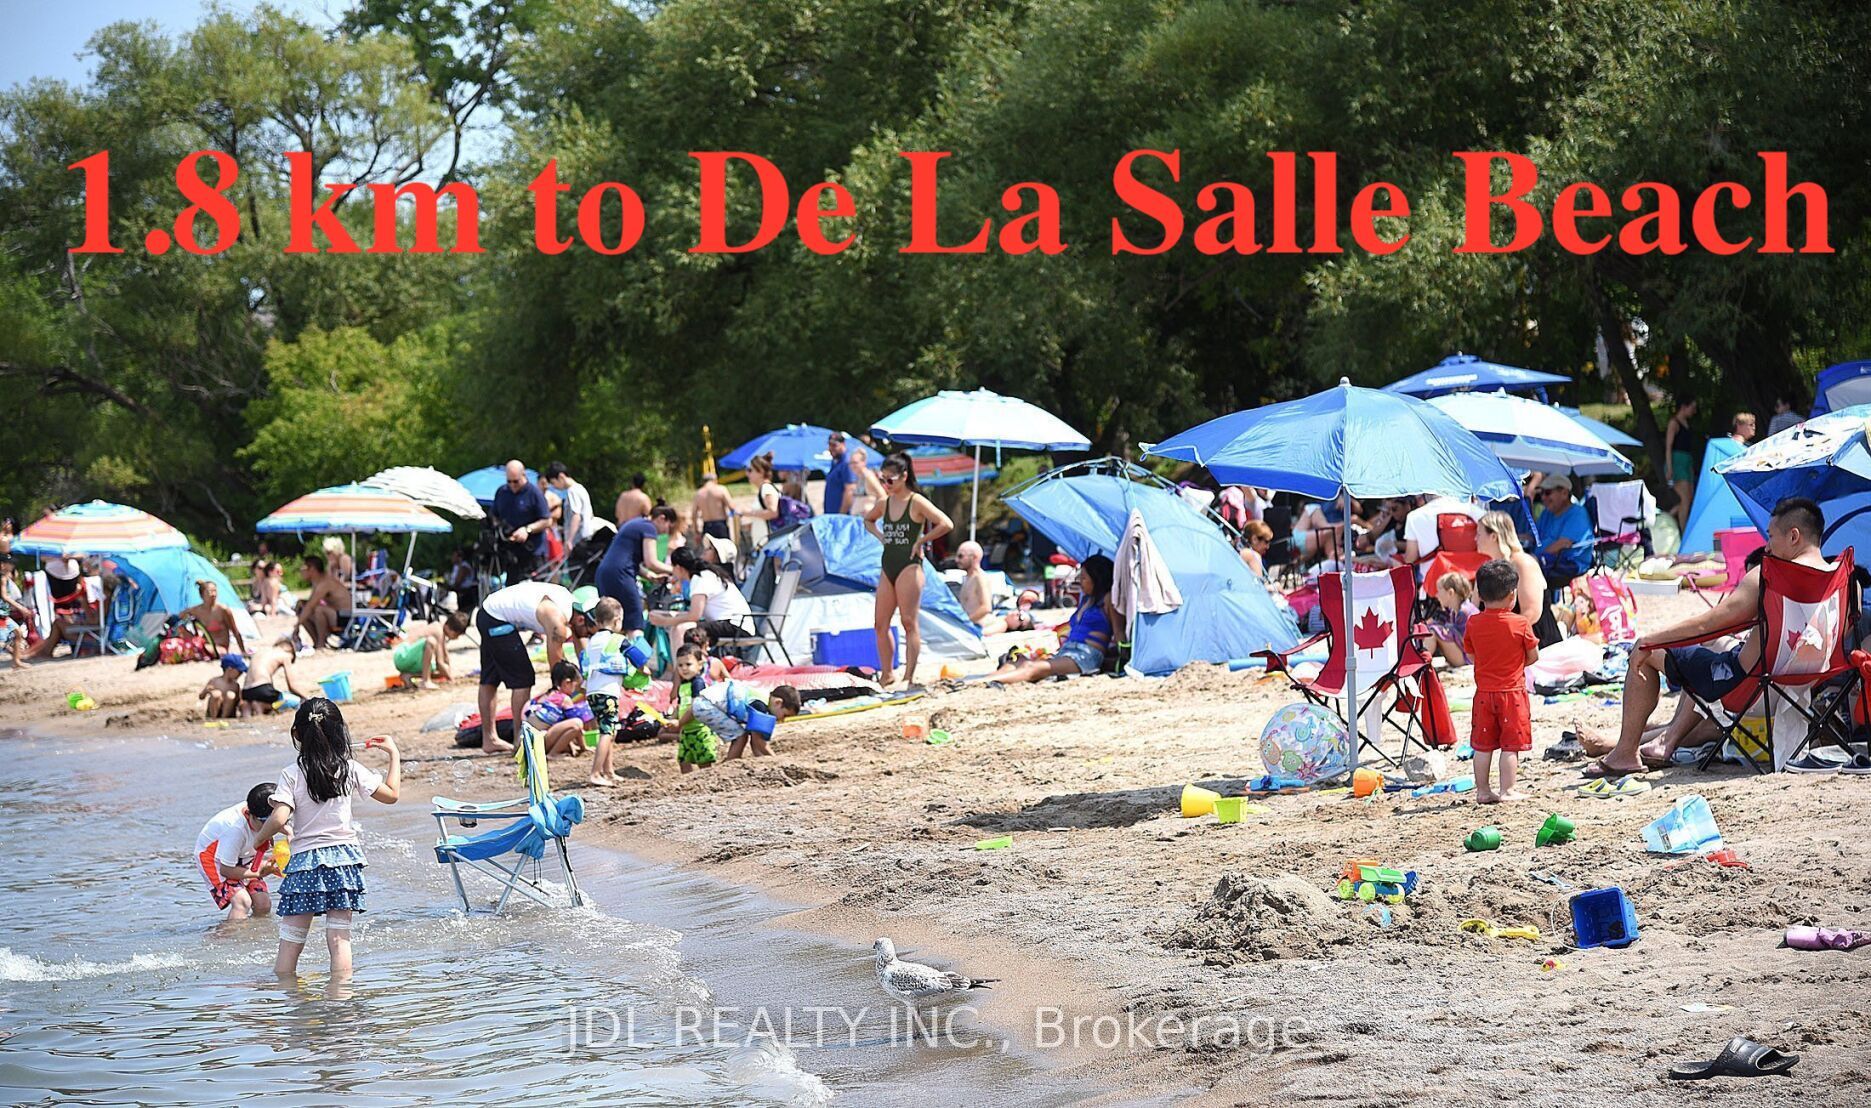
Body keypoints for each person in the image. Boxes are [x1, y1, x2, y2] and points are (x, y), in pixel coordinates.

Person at [1584, 497, 1831, 778]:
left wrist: (1651, 639)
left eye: (1771, 537)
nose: (1767, 547)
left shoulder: (1768, 576)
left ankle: (1625, 754)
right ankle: (1664, 740)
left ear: (1794, 536)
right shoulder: (1845, 580)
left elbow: (1709, 624)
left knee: (1648, 653)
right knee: (1708, 650)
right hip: (1803, 689)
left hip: (1748, 690)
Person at [253, 699, 400, 981]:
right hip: (344, 861)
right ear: (340, 731)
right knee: (339, 939)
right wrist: (394, 753)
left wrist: (259, 838)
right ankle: (341, 1000)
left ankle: (288, 999)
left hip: (306, 863)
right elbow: (392, 795)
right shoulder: (350, 768)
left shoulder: (292, 774)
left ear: (296, 733)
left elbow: (279, 818)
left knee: (290, 941)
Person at [864, 453, 954, 688]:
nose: (886, 484)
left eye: (890, 480)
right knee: (880, 623)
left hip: (910, 565)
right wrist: (881, 536)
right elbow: (868, 520)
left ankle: (909, 676)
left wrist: (921, 540)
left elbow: (946, 523)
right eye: (882, 479)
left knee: (908, 621)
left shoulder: (916, 501)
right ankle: (887, 674)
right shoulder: (885, 503)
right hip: (888, 564)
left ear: (904, 477)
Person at [1463, 560, 1540, 804]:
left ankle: (1483, 790)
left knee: (1483, 745)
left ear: (1479, 594)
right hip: (1512, 693)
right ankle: (1508, 789)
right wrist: (1515, 665)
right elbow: (1533, 656)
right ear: (1512, 595)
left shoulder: (1473, 623)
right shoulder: (1520, 623)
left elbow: (1471, 655)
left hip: (1484, 693)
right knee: (1510, 745)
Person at [474, 580, 577, 754]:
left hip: (487, 611)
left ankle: (489, 739)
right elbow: (557, 665)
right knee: (523, 679)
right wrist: (562, 691)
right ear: (581, 620)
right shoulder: (557, 621)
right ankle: (520, 740)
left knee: (490, 677)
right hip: (496, 618)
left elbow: (580, 642)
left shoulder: (569, 603)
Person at [990, 555, 1117, 684]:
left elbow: (1119, 632)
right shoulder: (1086, 600)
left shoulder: (1108, 599)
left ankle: (993, 681)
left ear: (1097, 579)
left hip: (1086, 655)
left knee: (1031, 667)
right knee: (1017, 661)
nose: (1079, 581)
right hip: (1067, 649)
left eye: (1084, 578)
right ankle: (983, 680)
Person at [193, 783, 284, 921]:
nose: (272, 827)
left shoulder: (266, 813)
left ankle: (256, 932)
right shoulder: (235, 830)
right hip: (214, 860)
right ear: (250, 815)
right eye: (267, 823)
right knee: (242, 901)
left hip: (242, 853)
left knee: (263, 904)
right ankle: (228, 934)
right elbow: (226, 870)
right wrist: (258, 872)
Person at [579, 597, 642, 785]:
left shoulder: (592, 641)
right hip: (608, 692)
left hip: (592, 692)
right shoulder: (618, 640)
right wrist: (644, 670)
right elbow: (639, 659)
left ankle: (609, 771)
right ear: (617, 620)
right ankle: (595, 773)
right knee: (607, 732)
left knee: (608, 730)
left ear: (597, 621)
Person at [1475, 511, 1561, 647]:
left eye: (1479, 534)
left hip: (1536, 644)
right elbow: (1475, 609)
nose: (1475, 539)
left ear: (1493, 536)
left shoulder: (1523, 564)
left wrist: (1504, 640)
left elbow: (1531, 612)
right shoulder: (1486, 569)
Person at [597, 498, 674, 635]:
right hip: (621, 575)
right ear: (662, 518)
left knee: (612, 619)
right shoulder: (649, 527)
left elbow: (626, 558)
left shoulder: (636, 522)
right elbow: (651, 562)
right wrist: (676, 570)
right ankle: (637, 648)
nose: (666, 533)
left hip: (605, 573)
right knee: (634, 620)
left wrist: (650, 576)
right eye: (669, 527)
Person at [649, 546, 751, 644]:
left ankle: (683, 656)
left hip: (735, 626)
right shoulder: (701, 575)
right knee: (677, 628)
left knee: (682, 629)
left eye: (673, 567)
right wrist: (665, 614)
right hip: (730, 624)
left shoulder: (699, 578)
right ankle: (679, 657)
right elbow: (693, 613)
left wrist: (664, 621)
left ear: (679, 568)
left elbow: (694, 616)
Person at [691, 679, 801, 761]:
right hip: (706, 707)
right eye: (785, 715)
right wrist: (775, 759)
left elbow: (755, 740)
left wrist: (762, 759)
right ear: (778, 703)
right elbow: (759, 742)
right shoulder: (760, 706)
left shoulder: (762, 699)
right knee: (740, 736)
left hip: (702, 703)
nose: (782, 720)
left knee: (742, 735)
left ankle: (730, 761)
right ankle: (730, 764)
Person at [956, 540, 1036, 634]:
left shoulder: (980, 578)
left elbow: (986, 608)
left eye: (961, 556)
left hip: (970, 625)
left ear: (974, 557)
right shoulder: (968, 577)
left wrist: (964, 623)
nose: (957, 560)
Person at [492, 460, 552, 579]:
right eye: (509, 481)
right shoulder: (502, 492)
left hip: (533, 552)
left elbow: (547, 520)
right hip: (511, 554)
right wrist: (501, 530)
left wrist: (527, 529)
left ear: (523, 475)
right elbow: (494, 515)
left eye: (516, 481)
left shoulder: (534, 493)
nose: (512, 485)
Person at [668, 643, 720, 773]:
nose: (684, 668)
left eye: (688, 664)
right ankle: (687, 782)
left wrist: (679, 722)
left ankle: (706, 782)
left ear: (700, 665)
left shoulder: (698, 683)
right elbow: (680, 706)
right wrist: (671, 718)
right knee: (683, 761)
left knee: (704, 762)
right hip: (686, 731)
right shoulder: (683, 685)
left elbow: (695, 707)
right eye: (680, 665)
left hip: (700, 730)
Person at [1531, 475, 1594, 582]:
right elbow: (1532, 535)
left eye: (1547, 493)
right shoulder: (1547, 512)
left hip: (1568, 563)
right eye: (1541, 493)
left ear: (1564, 493)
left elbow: (1563, 543)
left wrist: (1534, 559)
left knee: (1525, 573)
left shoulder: (1577, 514)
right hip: (1546, 561)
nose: (1543, 498)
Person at [527, 660, 595, 757]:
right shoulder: (564, 699)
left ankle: (556, 751)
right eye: (575, 685)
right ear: (567, 683)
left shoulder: (546, 696)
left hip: (529, 743)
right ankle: (553, 754)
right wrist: (583, 747)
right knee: (577, 723)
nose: (575, 690)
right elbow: (577, 728)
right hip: (537, 742)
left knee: (571, 735)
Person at [392, 611, 470, 689]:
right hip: (402, 655)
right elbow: (440, 662)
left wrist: (448, 673)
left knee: (435, 669)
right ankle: (426, 681)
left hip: (407, 658)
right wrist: (450, 678)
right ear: (448, 627)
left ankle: (409, 675)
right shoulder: (438, 631)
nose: (456, 638)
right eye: (456, 634)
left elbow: (445, 657)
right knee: (431, 642)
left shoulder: (441, 630)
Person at [1401, 495, 1483, 564]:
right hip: (1471, 574)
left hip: (1432, 575)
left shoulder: (1414, 517)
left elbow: (1410, 558)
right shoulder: (1475, 511)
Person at [242, 637, 313, 716]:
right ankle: (264, 706)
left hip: (246, 691)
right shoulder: (285, 655)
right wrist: (309, 698)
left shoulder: (261, 651)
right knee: (291, 702)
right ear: (290, 648)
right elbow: (292, 686)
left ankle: (252, 707)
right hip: (262, 689)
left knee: (247, 709)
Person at [294, 555, 352, 650]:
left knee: (318, 610)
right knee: (302, 608)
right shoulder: (317, 582)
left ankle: (321, 644)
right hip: (336, 614)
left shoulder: (325, 583)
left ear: (312, 569)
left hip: (345, 617)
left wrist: (296, 627)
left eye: (303, 568)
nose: (301, 571)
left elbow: (311, 606)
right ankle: (317, 642)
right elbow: (309, 604)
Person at [181, 579, 247, 657]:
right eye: (210, 592)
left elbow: (235, 631)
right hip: (204, 644)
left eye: (215, 591)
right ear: (202, 595)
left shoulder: (223, 610)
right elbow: (179, 617)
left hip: (220, 648)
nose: (213, 594)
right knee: (181, 630)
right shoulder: (196, 610)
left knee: (198, 649)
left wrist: (243, 651)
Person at [1427, 572, 1479, 668]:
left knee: (1433, 631)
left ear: (1450, 593)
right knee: (1432, 628)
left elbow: (1466, 642)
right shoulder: (1454, 611)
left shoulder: (1464, 612)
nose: (1437, 595)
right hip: (1464, 655)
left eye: (1439, 591)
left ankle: (1421, 662)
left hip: (1467, 659)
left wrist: (1448, 631)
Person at [1665, 399, 1701, 528]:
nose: (1694, 411)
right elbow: (1669, 446)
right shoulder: (1674, 423)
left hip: (1686, 462)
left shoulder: (1687, 423)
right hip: (1677, 463)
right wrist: (1670, 468)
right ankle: (1684, 532)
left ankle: (1665, 518)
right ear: (1683, 406)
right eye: (1692, 407)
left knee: (1689, 499)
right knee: (1685, 500)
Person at [200, 654, 247, 719]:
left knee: (230, 695)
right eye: (239, 672)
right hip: (214, 711)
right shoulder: (214, 681)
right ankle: (213, 718)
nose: (240, 674)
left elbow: (238, 701)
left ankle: (224, 718)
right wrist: (206, 691)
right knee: (217, 694)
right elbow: (201, 697)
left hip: (228, 714)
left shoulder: (235, 685)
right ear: (229, 669)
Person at [693, 472, 734, 541]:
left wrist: (696, 531)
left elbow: (694, 514)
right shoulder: (721, 489)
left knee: (709, 547)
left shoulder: (698, 494)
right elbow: (731, 507)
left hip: (707, 526)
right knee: (724, 546)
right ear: (715, 480)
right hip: (720, 524)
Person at [821, 431, 852, 515]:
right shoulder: (835, 461)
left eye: (834, 445)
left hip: (840, 517)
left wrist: (841, 515)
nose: (831, 448)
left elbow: (850, 490)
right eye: (829, 445)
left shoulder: (847, 463)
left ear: (843, 444)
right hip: (831, 514)